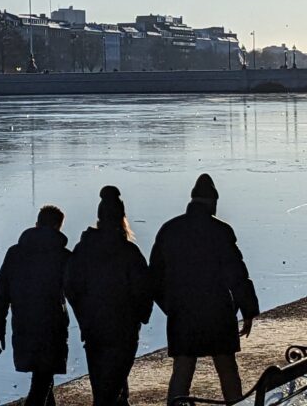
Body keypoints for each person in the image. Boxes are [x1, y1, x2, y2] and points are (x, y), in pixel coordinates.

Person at [149, 174, 259, 404]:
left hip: (183, 313)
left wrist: (170, 306)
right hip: (217, 311)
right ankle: (235, 404)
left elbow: (154, 278)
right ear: (213, 203)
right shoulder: (220, 231)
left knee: (182, 370)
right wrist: (248, 310)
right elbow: (237, 274)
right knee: (227, 369)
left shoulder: (169, 230)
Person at [65, 186, 152, 406]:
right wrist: (141, 316)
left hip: (94, 329)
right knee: (113, 388)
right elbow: (144, 289)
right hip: (123, 330)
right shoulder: (129, 253)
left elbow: (71, 286)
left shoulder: (83, 250)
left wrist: (84, 316)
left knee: (103, 388)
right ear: (122, 218)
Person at [0, 205, 70, 406]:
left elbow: (1, 294)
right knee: (41, 383)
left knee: (42, 377)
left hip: (24, 325)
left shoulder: (15, 253)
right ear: (57, 227)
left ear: (37, 224)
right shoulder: (63, 256)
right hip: (52, 327)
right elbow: (79, 293)